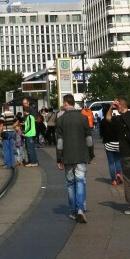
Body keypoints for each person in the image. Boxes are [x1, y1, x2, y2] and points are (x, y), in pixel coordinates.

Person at [56, 94, 94, 223]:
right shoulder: (83, 118)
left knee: (70, 184)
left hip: (67, 157)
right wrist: (91, 154)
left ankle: (73, 211)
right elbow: (89, 138)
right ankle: (80, 209)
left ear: (66, 104)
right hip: (81, 155)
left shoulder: (61, 120)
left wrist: (59, 158)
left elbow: (59, 141)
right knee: (81, 181)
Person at [102, 103, 123, 186]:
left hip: (108, 143)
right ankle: (118, 173)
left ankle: (114, 180)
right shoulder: (115, 119)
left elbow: (101, 134)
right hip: (117, 143)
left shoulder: (103, 121)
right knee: (118, 160)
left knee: (111, 163)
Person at [21, 100, 39, 167]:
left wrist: (24, 132)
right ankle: (33, 161)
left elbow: (29, 126)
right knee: (30, 149)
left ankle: (33, 162)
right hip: (30, 134)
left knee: (30, 149)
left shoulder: (30, 117)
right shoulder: (30, 117)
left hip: (30, 134)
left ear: (25, 112)